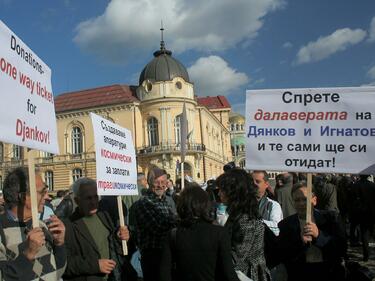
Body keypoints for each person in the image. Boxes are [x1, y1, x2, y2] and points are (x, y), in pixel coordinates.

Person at [159, 183, 239, 281]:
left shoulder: (173, 234)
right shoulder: (220, 233)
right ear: (206, 205)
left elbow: (164, 274)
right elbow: (229, 273)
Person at [63, 177, 137, 281]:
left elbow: (112, 245)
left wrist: (119, 238)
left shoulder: (104, 215)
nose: (93, 202)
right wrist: (95, 266)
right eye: (88, 198)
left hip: (115, 276)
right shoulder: (68, 226)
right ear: (77, 200)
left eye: (95, 197)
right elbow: (65, 264)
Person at [1, 167, 66, 280]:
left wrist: (59, 243)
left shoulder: (41, 226)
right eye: (42, 192)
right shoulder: (2, 231)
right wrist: (27, 254)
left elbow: (58, 272)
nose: (47, 197)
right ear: (23, 197)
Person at [276, 182, 346, 281]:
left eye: (305, 199)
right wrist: (300, 242)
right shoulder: (285, 225)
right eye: (297, 200)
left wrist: (319, 236)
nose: (301, 203)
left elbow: (341, 249)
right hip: (300, 274)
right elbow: (282, 254)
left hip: (328, 273)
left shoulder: (331, 219)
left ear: (314, 200)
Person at [216, 168, 272, 281]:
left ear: (234, 191)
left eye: (223, 190)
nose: (219, 193)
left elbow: (237, 259)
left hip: (248, 276)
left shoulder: (246, 219)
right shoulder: (238, 214)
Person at [133, 167, 177, 281]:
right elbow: (158, 228)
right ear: (149, 182)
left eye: (164, 182)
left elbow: (171, 223)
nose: (161, 185)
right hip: (152, 255)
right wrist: (175, 222)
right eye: (157, 182)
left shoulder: (165, 201)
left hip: (166, 253)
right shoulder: (143, 203)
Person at [350, 175, 375, 261]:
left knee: (364, 234)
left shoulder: (355, 185)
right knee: (370, 232)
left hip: (360, 212)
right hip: (371, 212)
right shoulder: (372, 185)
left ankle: (366, 255)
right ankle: (367, 254)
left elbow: (351, 199)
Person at [252, 170, 283, 236]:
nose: (254, 184)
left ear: (266, 184)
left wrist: (254, 222)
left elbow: (277, 228)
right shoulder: (242, 202)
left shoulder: (273, 205)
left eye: (258, 181)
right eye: (251, 182)